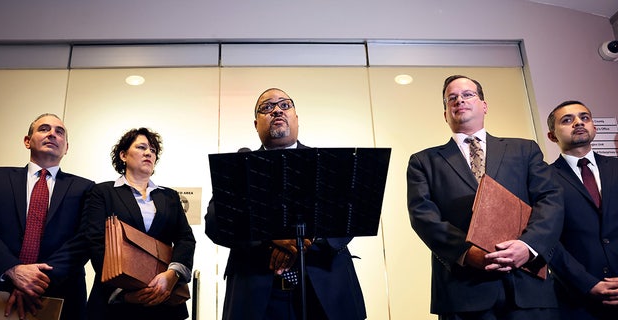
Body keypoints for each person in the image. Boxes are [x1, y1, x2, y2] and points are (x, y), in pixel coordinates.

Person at [406, 75, 564, 319]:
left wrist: (528, 246)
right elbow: (423, 217)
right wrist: (467, 253)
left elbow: (550, 200)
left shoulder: (524, 149)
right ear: (445, 113)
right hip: (463, 291)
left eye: (468, 94)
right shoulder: (423, 161)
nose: (459, 100)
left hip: (528, 286)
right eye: (452, 98)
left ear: (484, 105)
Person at [205, 88, 367, 320]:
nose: (277, 110)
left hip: (326, 291)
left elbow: (350, 219)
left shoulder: (328, 163)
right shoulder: (240, 165)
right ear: (256, 123)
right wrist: (270, 237)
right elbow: (215, 223)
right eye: (267, 107)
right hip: (257, 296)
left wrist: (304, 240)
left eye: (284, 105)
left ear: (296, 118)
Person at [0, 113, 94, 320]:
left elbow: (85, 238)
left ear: (66, 147)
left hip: (61, 292)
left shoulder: (86, 188)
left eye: (60, 132)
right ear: (27, 141)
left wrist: (35, 280)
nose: (52, 134)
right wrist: (12, 270)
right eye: (44, 129)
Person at [84, 127, 196, 320]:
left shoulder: (169, 196)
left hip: (164, 299)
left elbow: (185, 239)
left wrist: (172, 275)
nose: (148, 153)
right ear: (123, 155)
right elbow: (96, 242)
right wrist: (125, 291)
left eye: (153, 150)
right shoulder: (103, 192)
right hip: (116, 301)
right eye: (142, 147)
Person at [546, 100, 618, 319]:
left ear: (593, 127)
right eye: (567, 120)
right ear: (552, 135)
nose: (578, 122)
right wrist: (588, 284)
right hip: (576, 301)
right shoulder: (543, 179)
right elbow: (547, 240)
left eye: (584, 117)